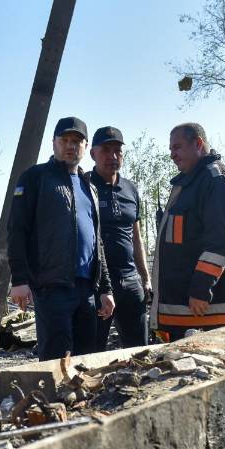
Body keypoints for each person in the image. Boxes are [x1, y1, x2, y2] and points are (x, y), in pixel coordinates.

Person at [8, 117, 115, 359]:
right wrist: (19, 279)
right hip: (51, 287)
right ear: (53, 143)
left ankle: (83, 399)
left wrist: (105, 288)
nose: (70, 145)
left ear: (86, 147)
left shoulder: (91, 187)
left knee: (86, 359)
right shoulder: (35, 178)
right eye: (64, 140)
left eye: (76, 141)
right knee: (56, 359)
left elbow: (97, 243)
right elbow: (16, 230)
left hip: (86, 289)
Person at [150, 122, 225, 339]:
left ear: (198, 143)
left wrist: (201, 289)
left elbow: (221, 240)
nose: (172, 155)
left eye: (177, 147)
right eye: (170, 149)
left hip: (208, 313)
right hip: (188, 313)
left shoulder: (216, 179)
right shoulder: (194, 181)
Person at [90, 126, 151, 350]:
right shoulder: (85, 186)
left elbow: (137, 237)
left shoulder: (131, 189)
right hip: (98, 285)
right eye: (106, 150)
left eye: (118, 151)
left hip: (130, 283)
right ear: (93, 154)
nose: (113, 156)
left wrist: (145, 278)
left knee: (139, 351)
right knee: (92, 353)